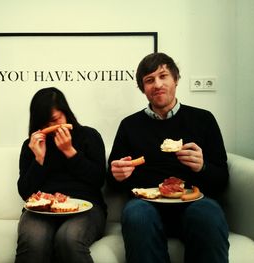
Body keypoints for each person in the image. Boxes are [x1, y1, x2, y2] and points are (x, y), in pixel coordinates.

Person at [107, 53, 230, 263]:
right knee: (136, 214)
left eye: (163, 76)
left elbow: (222, 179)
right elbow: (112, 183)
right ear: (143, 89)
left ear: (176, 79)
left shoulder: (203, 119)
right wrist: (117, 175)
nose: (157, 84)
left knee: (208, 214)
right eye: (149, 80)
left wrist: (203, 167)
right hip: (146, 204)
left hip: (194, 201)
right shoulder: (129, 125)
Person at [15, 87, 107, 263]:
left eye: (55, 120)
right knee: (33, 239)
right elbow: (25, 193)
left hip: (86, 207)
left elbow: (98, 180)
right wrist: (39, 159)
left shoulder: (89, 135)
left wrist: (70, 152)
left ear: (66, 113)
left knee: (68, 238)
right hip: (42, 209)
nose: (51, 127)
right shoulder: (32, 145)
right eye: (45, 123)